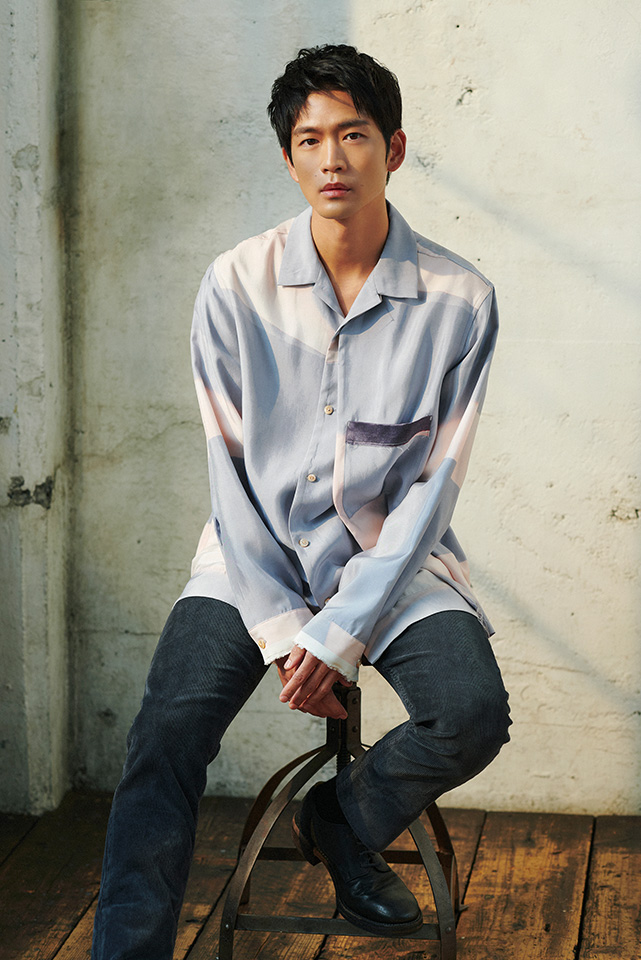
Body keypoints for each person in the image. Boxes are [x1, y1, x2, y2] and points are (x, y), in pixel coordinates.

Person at [92, 43, 511, 959]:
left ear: (393, 149)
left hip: (392, 564)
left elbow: (432, 487)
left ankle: (340, 818)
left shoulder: (460, 300)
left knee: (472, 712)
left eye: (352, 135)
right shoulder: (234, 284)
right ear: (287, 157)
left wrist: (341, 632)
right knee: (165, 735)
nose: (331, 159)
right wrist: (287, 631)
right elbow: (228, 470)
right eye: (309, 140)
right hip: (253, 559)